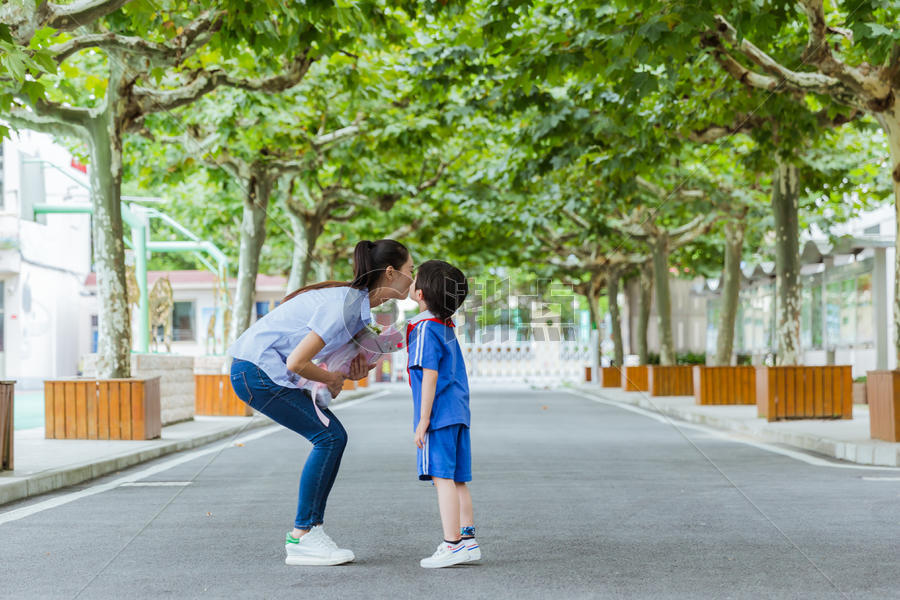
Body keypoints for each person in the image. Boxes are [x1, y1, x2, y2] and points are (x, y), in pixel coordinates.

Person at [228, 239, 413, 566]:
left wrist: (348, 372)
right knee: (329, 437)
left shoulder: (356, 311)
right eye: (410, 270)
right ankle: (303, 535)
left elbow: (325, 362)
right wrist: (331, 379)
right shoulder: (343, 305)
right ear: (390, 273)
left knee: (331, 437)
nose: (412, 278)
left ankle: (306, 533)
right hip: (256, 371)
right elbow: (297, 362)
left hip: (258, 371)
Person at [405, 259, 480, 568]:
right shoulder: (444, 325)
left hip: (439, 415)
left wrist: (423, 421)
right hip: (458, 412)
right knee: (457, 478)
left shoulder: (424, 329)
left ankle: (452, 545)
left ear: (421, 293)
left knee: (442, 479)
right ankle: (467, 539)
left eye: (414, 278)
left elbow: (430, 374)